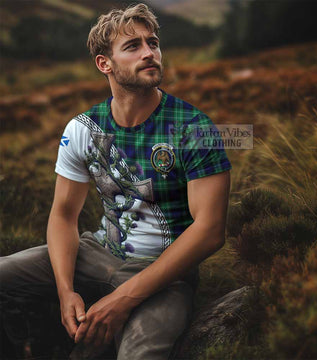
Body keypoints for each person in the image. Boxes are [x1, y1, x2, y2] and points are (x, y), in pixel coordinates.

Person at [0, 3, 231, 359]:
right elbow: (63, 216)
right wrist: (65, 292)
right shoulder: (81, 129)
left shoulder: (195, 128)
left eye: (152, 43)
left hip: (164, 274)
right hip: (97, 252)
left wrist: (121, 300)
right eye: (133, 46)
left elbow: (211, 230)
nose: (149, 53)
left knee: (139, 353)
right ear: (104, 64)